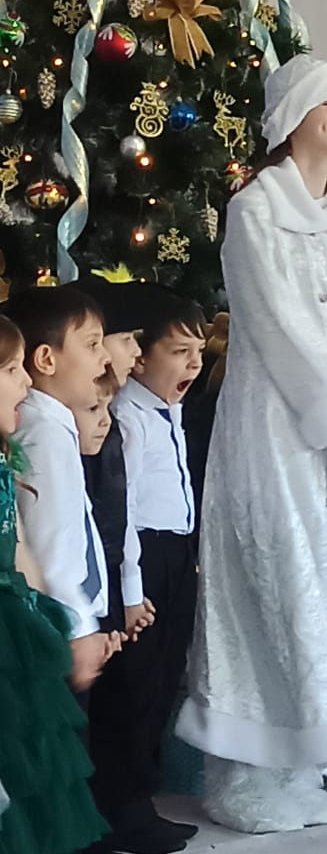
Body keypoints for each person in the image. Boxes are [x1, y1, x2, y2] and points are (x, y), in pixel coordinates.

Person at [176, 56, 327, 835]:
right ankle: (243, 778)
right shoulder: (256, 208)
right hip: (275, 432)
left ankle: (303, 768)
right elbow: (277, 326)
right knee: (272, 585)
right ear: (294, 112)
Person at [91, 291, 206, 851]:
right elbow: (125, 511)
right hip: (143, 561)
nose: (194, 365)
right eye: (180, 351)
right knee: (133, 689)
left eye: (199, 352)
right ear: (139, 357)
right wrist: (133, 591)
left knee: (162, 681)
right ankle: (122, 808)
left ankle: (141, 798)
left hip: (176, 556)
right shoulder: (126, 418)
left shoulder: (169, 411)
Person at [0, 312, 111, 854]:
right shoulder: (44, 429)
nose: (25, 380)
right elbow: (55, 536)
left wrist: (62, 626)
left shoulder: (7, 456)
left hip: (21, 629)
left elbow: (24, 549)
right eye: (10, 370)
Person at [5, 287, 120, 697]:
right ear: (47, 360)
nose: (105, 358)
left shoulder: (51, 425)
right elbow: (53, 543)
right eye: (92, 344)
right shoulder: (43, 433)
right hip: (58, 631)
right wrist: (79, 628)